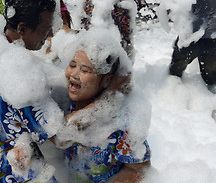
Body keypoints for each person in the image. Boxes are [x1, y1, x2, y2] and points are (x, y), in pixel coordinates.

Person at [51, 29, 151, 182]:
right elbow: (59, 136)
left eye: (84, 70)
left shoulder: (120, 123)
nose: (74, 74)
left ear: (106, 81)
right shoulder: (63, 100)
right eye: (72, 65)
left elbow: (140, 168)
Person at [0, 0, 58, 183]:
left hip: (0, 161)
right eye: (47, 27)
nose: (50, 33)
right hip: (22, 168)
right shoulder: (17, 72)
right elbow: (57, 134)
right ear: (22, 29)